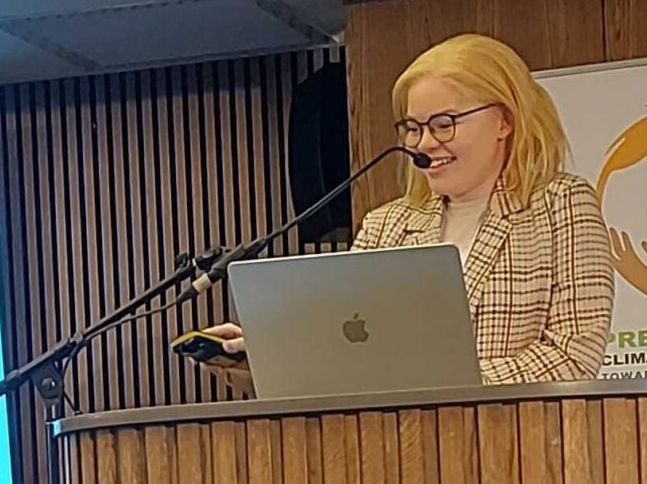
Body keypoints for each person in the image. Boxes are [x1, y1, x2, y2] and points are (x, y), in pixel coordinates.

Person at [204, 33, 614, 392]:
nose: (424, 143)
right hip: (393, 446)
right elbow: (347, 358)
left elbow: (572, 358)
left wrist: (443, 384)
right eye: (414, 128)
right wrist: (270, 364)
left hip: (516, 445)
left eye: (444, 124)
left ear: (504, 121)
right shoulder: (386, 226)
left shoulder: (562, 206)